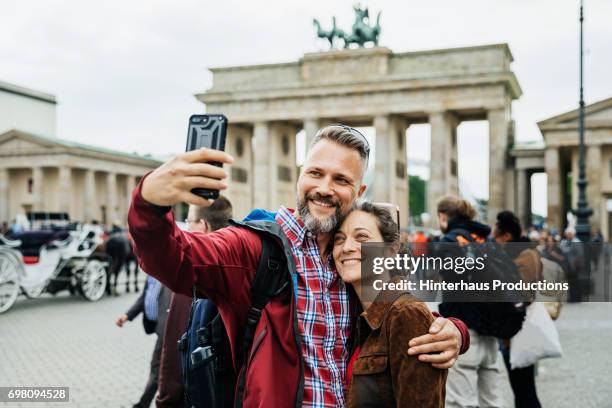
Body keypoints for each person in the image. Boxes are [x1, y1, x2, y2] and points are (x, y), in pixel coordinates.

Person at [128, 125, 469, 407]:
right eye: (316, 173)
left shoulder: (352, 256)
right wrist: (150, 204)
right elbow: (178, 259)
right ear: (299, 176)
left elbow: (397, 312)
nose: (324, 189)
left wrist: (454, 330)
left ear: (359, 190)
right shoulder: (254, 248)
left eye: (341, 179)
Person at [333, 201, 447, 407]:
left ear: (392, 250)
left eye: (361, 237)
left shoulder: (406, 315)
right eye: (339, 239)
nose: (347, 247)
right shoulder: (355, 314)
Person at [156, 197, 233, 408]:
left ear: (203, 225)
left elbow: (174, 346)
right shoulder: (239, 265)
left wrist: (165, 399)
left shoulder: (195, 272)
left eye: (189, 220)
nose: (186, 226)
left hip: (196, 394)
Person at [435, 196, 505, 408]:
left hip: (463, 328)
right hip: (492, 328)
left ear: (443, 216)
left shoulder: (448, 242)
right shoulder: (487, 240)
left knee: (461, 401)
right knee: (492, 399)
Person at [494, 210, 542, 408]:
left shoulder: (524, 256)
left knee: (524, 389)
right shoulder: (525, 252)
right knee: (522, 389)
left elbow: (520, 291)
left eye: (496, 237)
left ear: (507, 236)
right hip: (514, 327)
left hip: (518, 328)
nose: (494, 241)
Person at [116, 275, 172, 408]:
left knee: (158, 368)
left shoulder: (168, 273)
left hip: (168, 332)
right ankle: (144, 403)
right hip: (158, 329)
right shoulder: (151, 274)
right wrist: (128, 315)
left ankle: (144, 404)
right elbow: (145, 298)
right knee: (157, 368)